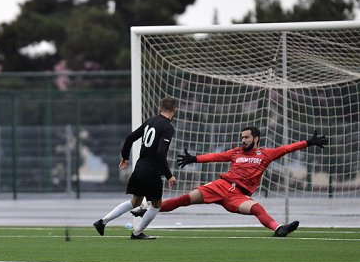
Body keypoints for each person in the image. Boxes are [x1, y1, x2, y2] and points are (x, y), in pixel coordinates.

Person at [154, 127, 327, 237]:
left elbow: (287, 149)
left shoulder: (266, 154)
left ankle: (278, 229)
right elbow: (215, 157)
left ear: (256, 138)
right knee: (184, 199)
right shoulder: (235, 152)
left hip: (238, 196)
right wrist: (194, 158)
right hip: (220, 186)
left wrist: (309, 142)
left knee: (257, 208)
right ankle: (148, 210)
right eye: (242, 137)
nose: (243, 140)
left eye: (246, 137)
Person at [93, 96, 178, 239]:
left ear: (160, 108)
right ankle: (137, 233)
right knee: (156, 205)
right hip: (152, 171)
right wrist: (169, 175)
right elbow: (160, 153)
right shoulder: (168, 128)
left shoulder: (150, 121)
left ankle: (102, 222)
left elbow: (130, 138)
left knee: (135, 202)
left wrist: (125, 157)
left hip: (139, 168)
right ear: (175, 110)